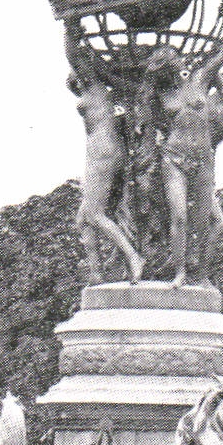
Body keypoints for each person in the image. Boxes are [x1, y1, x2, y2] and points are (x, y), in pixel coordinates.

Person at [141, 33, 223, 287]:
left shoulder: (200, 79)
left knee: (201, 222)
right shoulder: (162, 97)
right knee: (179, 217)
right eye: (173, 60)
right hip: (174, 158)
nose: (179, 62)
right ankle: (179, 273)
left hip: (203, 158)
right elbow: (158, 124)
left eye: (177, 58)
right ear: (165, 69)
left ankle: (200, 275)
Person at [65, 23, 145, 283]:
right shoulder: (99, 90)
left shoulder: (93, 86)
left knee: (93, 213)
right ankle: (97, 274)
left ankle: (133, 256)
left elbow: (71, 54)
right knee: (82, 219)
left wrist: (69, 28)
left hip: (103, 152)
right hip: (107, 151)